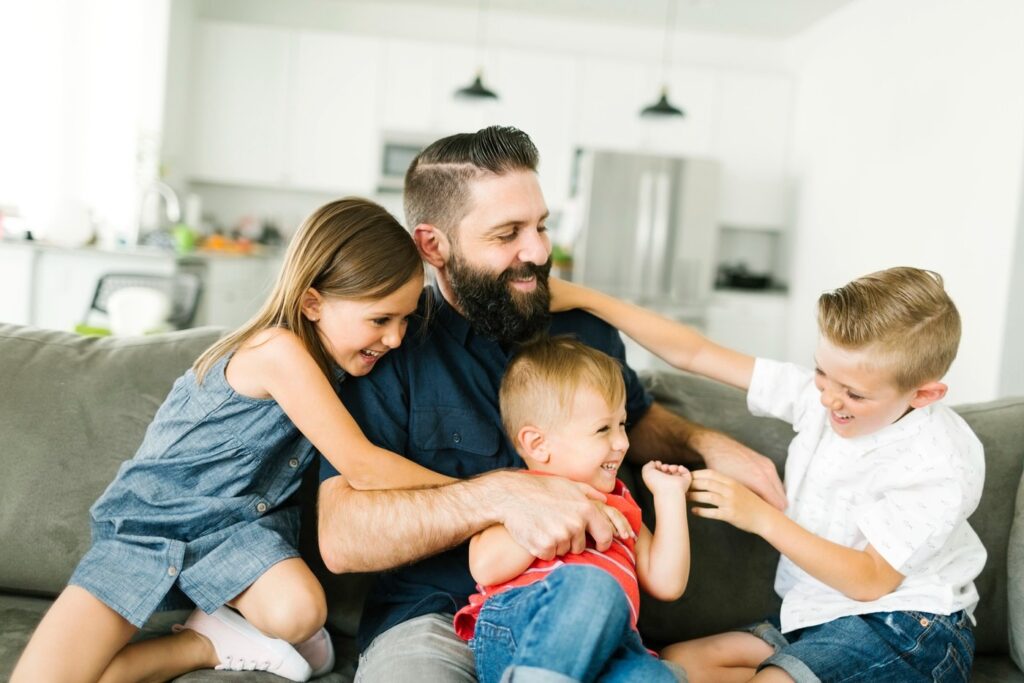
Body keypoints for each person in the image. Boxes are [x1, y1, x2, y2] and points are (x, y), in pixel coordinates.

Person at [316, 125, 786, 682]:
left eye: (541, 225)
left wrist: (706, 443)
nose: (539, 251)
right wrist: (503, 496)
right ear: (433, 245)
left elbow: (635, 419)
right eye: (507, 233)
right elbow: (342, 539)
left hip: (580, 618)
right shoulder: (390, 344)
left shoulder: (583, 330)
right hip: (434, 617)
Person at [12, 198, 454, 683]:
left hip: (233, 532)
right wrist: (480, 492)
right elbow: (363, 467)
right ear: (312, 303)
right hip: (149, 528)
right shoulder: (276, 351)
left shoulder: (342, 364)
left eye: (405, 319)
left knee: (300, 613)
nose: (396, 339)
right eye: (380, 320)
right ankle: (203, 640)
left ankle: (204, 641)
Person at [553, 267, 985, 682]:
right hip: (820, 616)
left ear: (924, 394)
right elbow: (695, 353)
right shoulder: (821, 397)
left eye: (854, 394)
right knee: (678, 664)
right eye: (822, 373)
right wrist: (582, 297)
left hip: (908, 628)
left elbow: (870, 580)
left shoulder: (939, 460)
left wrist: (759, 517)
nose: (829, 400)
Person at [453, 336, 690, 682]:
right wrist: (565, 513)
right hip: (521, 631)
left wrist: (670, 497)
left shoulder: (620, 505)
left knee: (656, 678)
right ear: (538, 444)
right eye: (603, 429)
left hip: (611, 647)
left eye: (622, 424)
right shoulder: (519, 494)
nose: (622, 442)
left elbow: (667, 583)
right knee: (593, 588)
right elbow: (486, 567)